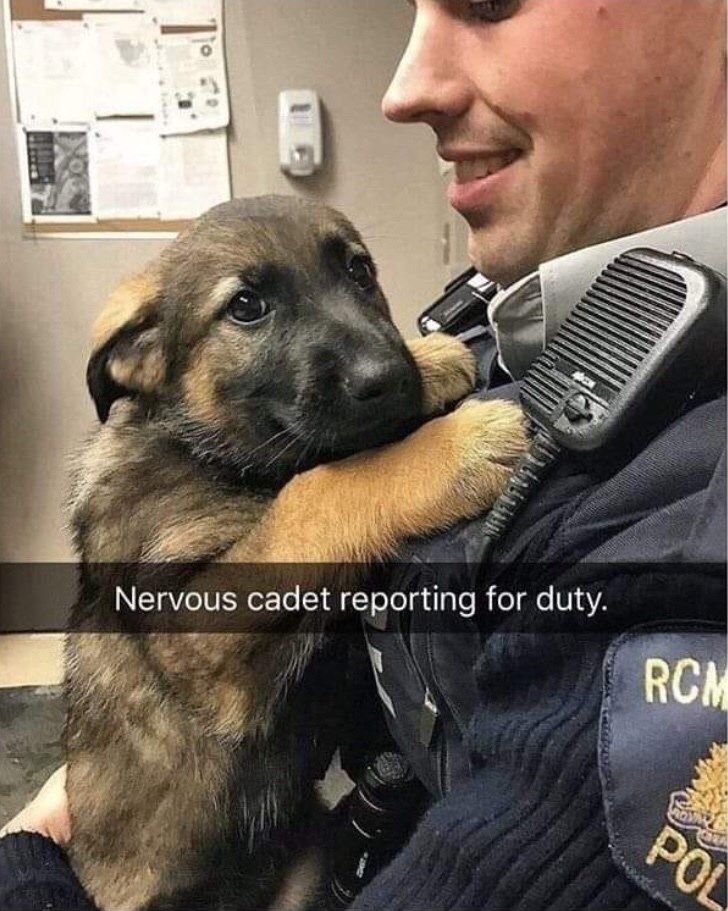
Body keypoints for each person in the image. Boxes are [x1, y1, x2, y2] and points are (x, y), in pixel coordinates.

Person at [1, 1, 725, 909]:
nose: (404, 87)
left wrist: (24, 862)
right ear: (139, 364)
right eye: (248, 308)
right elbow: (210, 654)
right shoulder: (521, 311)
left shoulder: (682, 554)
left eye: (488, 2)